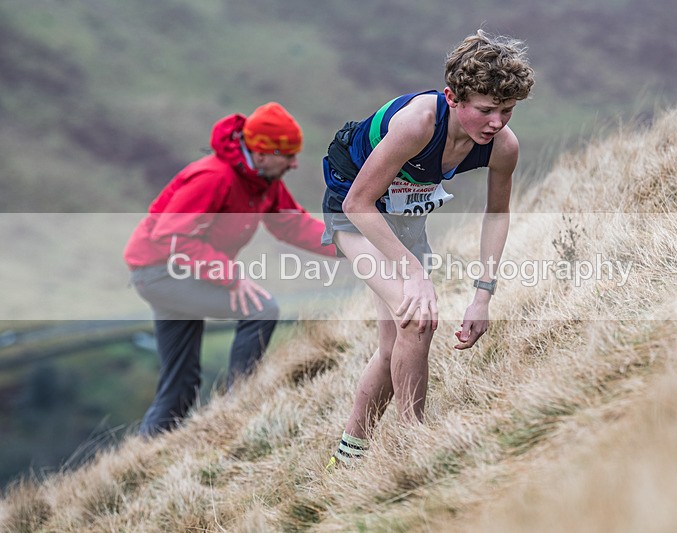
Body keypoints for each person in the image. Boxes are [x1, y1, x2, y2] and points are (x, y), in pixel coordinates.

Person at [322, 30, 534, 468]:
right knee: (418, 320)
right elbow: (356, 203)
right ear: (453, 97)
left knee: (393, 346)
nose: (497, 122)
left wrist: (482, 296)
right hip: (354, 212)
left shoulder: (503, 147)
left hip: (402, 215)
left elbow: (497, 215)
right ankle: (413, 446)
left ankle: (348, 456)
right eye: (487, 110)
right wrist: (413, 273)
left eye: (508, 111)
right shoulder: (419, 123)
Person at [124, 102, 336, 437]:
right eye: (288, 155)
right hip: (159, 274)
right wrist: (231, 278)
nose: (295, 163)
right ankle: (240, 408)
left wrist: (350, 246)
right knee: (261, 310)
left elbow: (291, 226)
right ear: (262, 153)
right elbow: (172, 237)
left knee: (181, 380)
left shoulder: (262, 180)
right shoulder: (213, 178)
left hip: (181, 272)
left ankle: (143, 456)